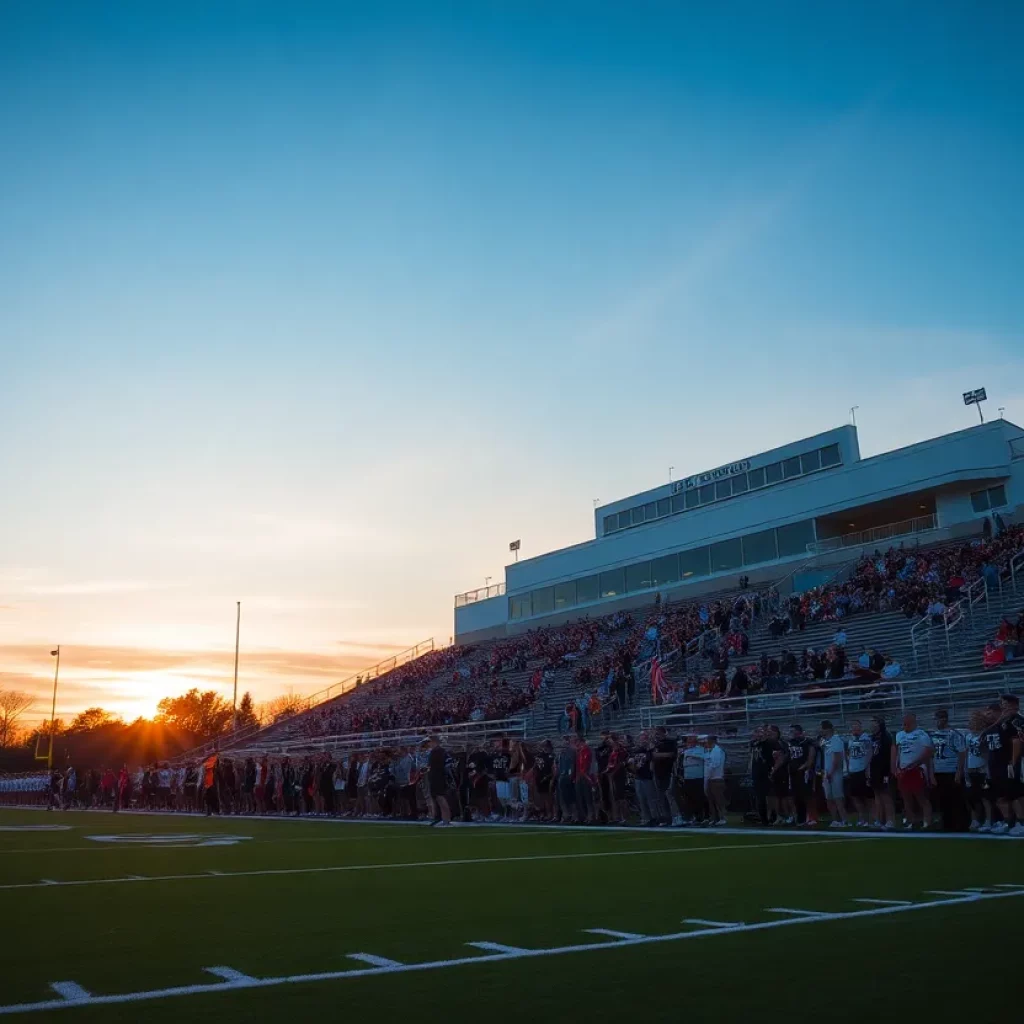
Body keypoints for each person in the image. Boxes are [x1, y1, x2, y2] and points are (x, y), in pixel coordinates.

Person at [979, 695, 1024, 836]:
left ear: (1013, 704)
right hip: (999, 763)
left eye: (1005, 704)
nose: (1002, 706)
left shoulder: (1016, 720)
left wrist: (1013, 760)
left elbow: (1017, 742)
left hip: (1010, 763)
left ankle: (1020, 823)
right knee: (1002, 795)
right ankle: (1008, 822)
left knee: (1015, 794)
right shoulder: (1003, 721)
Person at [893, 712, 934, 830]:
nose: (905, 724)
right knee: (906, 797)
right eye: (904, 722)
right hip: (903, 770)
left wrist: (916, 763)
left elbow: (928, 751)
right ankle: (911, 821)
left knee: (921, 796)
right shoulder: (899, 735)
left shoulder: (922, 734)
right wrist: (896, 768)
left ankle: (927, 821)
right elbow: (898, 752)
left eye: (908, 721)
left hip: (917, 769)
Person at [930, 709, 967, 832]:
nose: (936, 722)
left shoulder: (954, 734)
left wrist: (958, 772)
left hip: (951, 770)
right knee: (943, 800)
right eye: (935, 719)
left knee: (956, 800)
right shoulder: (933, 734)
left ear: (944, 719)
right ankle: (947, 824)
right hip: (939, 770)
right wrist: (932, 773)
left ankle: (961, 824)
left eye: (938, 719)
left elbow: (962, 753)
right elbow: (931, 755)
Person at [964, 709, 993, 832]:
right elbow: (966, 753)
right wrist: (966, 771)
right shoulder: (968, 736)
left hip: (982, 770)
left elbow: (987, 754)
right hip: (971, 769)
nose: (972, 723)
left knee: (985, 797)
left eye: (975, 721)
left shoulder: (985, 735)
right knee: (972, 797)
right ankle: (974, 819)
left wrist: (987, 770)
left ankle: (988, 820)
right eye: (971, 721)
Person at [785, 724, 816, 826]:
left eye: (793, 731)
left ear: (799, 731)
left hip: (805, 772)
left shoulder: (808, 742)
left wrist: (804, 766)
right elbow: (788, 756)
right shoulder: (790, 743)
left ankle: (810, 817)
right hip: (793, 772)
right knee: (796, 796)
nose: (791, 733)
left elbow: (811, 757)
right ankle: (800, 818)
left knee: (806, 795)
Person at [868, 716, 896, 829]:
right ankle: (880, 820)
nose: (872, 725)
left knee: (886, 796)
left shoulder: (886, 737)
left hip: (884, 770)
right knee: (877, 796)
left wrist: (889, 771)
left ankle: (890, 820)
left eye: (874, 722)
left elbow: (889, 756)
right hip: (875, 769)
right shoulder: (873, 738)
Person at [652, 726, 682, 826]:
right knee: (661, 797)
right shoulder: (656, 744)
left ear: (664, 733)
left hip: (669, 772)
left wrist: (659, 755)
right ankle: (666, 818)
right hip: (658, 773)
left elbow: (672, 754)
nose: (656, 735)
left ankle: (677, 817)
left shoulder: (670, 742)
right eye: (656, 733)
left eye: (658, 733)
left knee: (670, 795)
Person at [819, 721, 847, 827]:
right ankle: (835, 819)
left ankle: (844, 819)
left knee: (838, 797)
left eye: (822, 728)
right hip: (826, 772)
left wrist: (831, 772)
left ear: (828, 729)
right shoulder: (824, 741)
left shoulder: (836, 740)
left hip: (835, 772)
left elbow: (837, 758)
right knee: (829, 798)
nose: (820, 731)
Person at [845, 720, 872, 826]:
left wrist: (867, 768)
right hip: (853, 770)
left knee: (866, 796)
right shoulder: (851, 740)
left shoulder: (866, 739)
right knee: (855, 796)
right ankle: (862, 817)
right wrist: (848, 768)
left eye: (857, 727)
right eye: (853, 727)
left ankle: (869, 818)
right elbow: (849, 755)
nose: (854, 729)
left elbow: (869, 754)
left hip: (862, 770)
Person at [630, 733, 658, 826]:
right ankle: (646, 818)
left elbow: (652, 763)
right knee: (641, 799)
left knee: (650, 799)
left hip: (648, 777)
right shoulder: (636, 751)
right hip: (638, 777)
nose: (642, 741)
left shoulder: (650, 750)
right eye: (641, 739)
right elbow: (633, 767)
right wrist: (633, 766)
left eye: (644, 739)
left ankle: (655, 818)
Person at [679, 734, 707, 824]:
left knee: (698, 797)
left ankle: (701, 817)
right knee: (689, 798)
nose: (689, 743)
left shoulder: (701, 749)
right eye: (688, 741)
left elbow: (705, 758)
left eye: (691, 741)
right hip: (687, 777)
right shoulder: (684, 751)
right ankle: (692, 817)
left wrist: (693, 755)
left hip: (698, 776)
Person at [427, 736, 451, 826]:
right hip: (434, 777)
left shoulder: (440, 751)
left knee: (441, 798)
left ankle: (446, 818)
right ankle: (442, 818)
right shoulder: (433, 752)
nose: (429, 744)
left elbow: (443, 766)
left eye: (430, 742)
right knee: (437, 798)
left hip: (439, 777)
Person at [703, 735, 727, 825]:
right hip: (710, 778)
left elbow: (714, 764)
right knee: (711, 800)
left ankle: (722, 817)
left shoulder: (717, 751)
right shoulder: (710, 751)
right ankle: (715, 817)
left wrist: (708, 775)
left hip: (716, 778)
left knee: (718, 799)